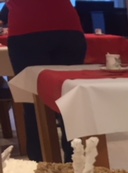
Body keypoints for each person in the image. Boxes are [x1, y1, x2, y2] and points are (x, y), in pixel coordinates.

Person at [7, 0, 87, 162]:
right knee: (69, 99)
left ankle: (41, 165)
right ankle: (75, 163)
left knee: (34, 103)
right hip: (67, 26)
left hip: (26, 27)